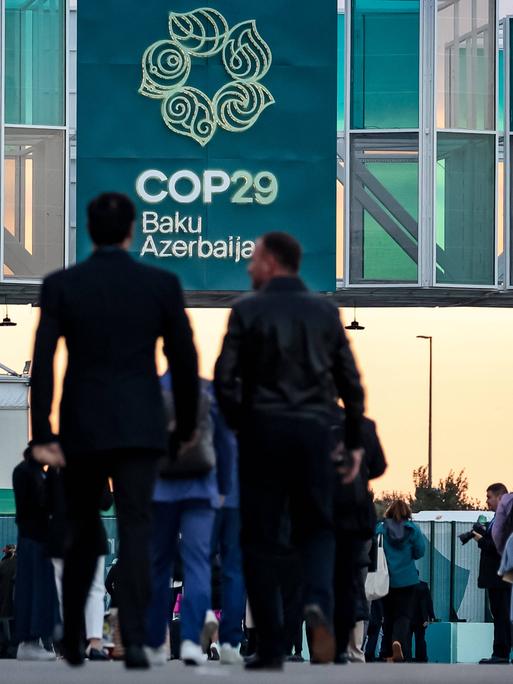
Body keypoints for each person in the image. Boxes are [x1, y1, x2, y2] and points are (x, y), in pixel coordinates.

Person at [30, 192, 199, 669]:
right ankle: (142, 639)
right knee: (139, 529)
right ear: (132, 231)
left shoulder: (63, 285)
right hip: (141, 427)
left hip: (82, 425)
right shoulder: (160, 284)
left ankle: (73, 639)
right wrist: (183, 427)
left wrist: (43, 431)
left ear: (88, 229)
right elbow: (184, 360)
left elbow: (44, 362)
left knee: (82, 528)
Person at [214, 232, 365, 669]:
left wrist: (244, 425)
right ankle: (318, 603)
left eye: (253, 258)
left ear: (273, 261)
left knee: (259, 538)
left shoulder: (246, 310)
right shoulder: (325, 311)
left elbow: (224, 380)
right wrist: (352, 441)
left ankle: (272, 646)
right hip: (316, 435)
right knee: (316, 527)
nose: (247, 267)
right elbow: (351, 383)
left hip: (262, 434)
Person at [145, 375, 233, 667]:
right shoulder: (208, 390)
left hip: (161, 488)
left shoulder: (153, 389)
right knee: (198, 564)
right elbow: (224, 440)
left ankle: (157, 642)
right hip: (201, 487)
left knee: (160, 564)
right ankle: (193, 642)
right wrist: (221, 487)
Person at [332, 410, 387, 663]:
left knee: (325, 583)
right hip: (357, 521)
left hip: (324, 515)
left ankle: (331, 643)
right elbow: (379, 466)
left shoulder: (312, 421)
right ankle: (354, 649)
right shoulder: (364, 426)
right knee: (355, 589)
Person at [209, 388, 246, 665]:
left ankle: (202, 620)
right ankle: (231, 640)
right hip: (239, 499)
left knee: (198, 564)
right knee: (235, 570)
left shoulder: (210, 405)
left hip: (208, 496)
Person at [12, 446, 59, 661]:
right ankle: (29, 639)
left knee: (38, 588)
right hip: (33, 536)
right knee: (33, 588)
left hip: (38, 537)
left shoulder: (37, 471)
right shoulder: (25, 472)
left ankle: (34, 639)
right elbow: (39, 503)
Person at [376, 500, 425, 663]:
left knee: (388, 616)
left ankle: (389, 651)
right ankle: (398, 643)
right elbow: (420, 552)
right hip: (408, 580)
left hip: (386, 580)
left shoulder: (381, 529)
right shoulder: (413, 530)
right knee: (403, 616)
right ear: (407, 512)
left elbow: (374, 550)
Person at [475, 483, 511, 665]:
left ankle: (501, 653)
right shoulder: (497, 518)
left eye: (489, 497)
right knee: (500, 613)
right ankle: (501, 652)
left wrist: (481, 540)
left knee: (502, 614)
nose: (487, 501)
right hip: (496, 576)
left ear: (500, 498)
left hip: (501, 576)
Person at [409, 579, 435, 663]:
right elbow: (429, 602)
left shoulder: (406, 585)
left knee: (407, 639)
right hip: (421, 618)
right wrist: (431, 615)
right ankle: (421, 658)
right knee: (420, 639)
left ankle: (407, 657)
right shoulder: (423, 586)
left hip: (408, 617)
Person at [0, 545, 16, 658]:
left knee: (5, 626)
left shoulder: (3, 563)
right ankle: (11, 649)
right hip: (13, 603)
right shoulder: (18, 562)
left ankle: (6, 649)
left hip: (4, 603)